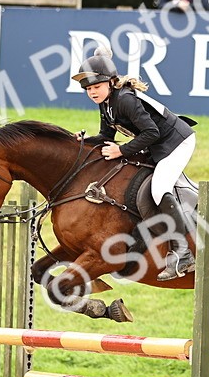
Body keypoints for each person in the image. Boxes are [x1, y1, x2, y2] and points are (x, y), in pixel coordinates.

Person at [72, 47, 197, 281]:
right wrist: (82, 141)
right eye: (88, 89)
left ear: (110, 83)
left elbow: (151, 132)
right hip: (157, 142)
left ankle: (183, 252)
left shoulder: (126, 100)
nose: (92, 93)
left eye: (96, 87)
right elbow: (105, 135)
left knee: (160, 189)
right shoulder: (106, 102)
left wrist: (121, 150)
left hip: (176, 142)